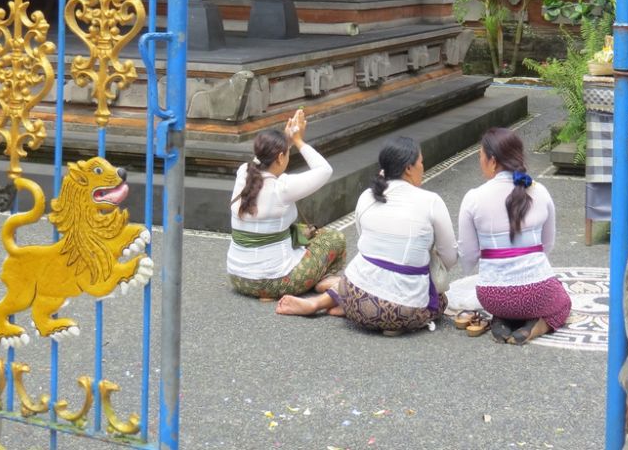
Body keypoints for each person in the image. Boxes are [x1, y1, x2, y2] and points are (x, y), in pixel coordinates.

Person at [276, 135, 458, 334]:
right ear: (408, 168)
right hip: (402, 311)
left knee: (368, 266)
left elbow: (365, 243)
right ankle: (390, 325)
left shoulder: (367, 196)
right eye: (421, 162)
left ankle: (320, 303)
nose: (423, 167)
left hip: (354, 297)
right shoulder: (431, 201)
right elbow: (449, 258)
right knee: (440, 300)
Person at [457, 127, 571, 344]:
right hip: (537, 292)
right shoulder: (540, 191)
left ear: (492, 161)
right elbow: (547, 245)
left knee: (507, 301)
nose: (480, 162)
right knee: (563, 302)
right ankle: (537, 326)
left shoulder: (473, 198)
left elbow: (469, 254)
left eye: (480, 156)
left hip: (492, 296)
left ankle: (501, 319)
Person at [227, 108, 345, 299]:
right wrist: (298, 141)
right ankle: (323, 280)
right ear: (281, 157)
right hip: (276, 282)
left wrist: (285, 141)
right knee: (334, 238)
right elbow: (325, 170)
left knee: (298, 232)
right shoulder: (282, 188)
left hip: (238, 278)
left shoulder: (243, 172)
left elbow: (263, 160)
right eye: (286, 154)